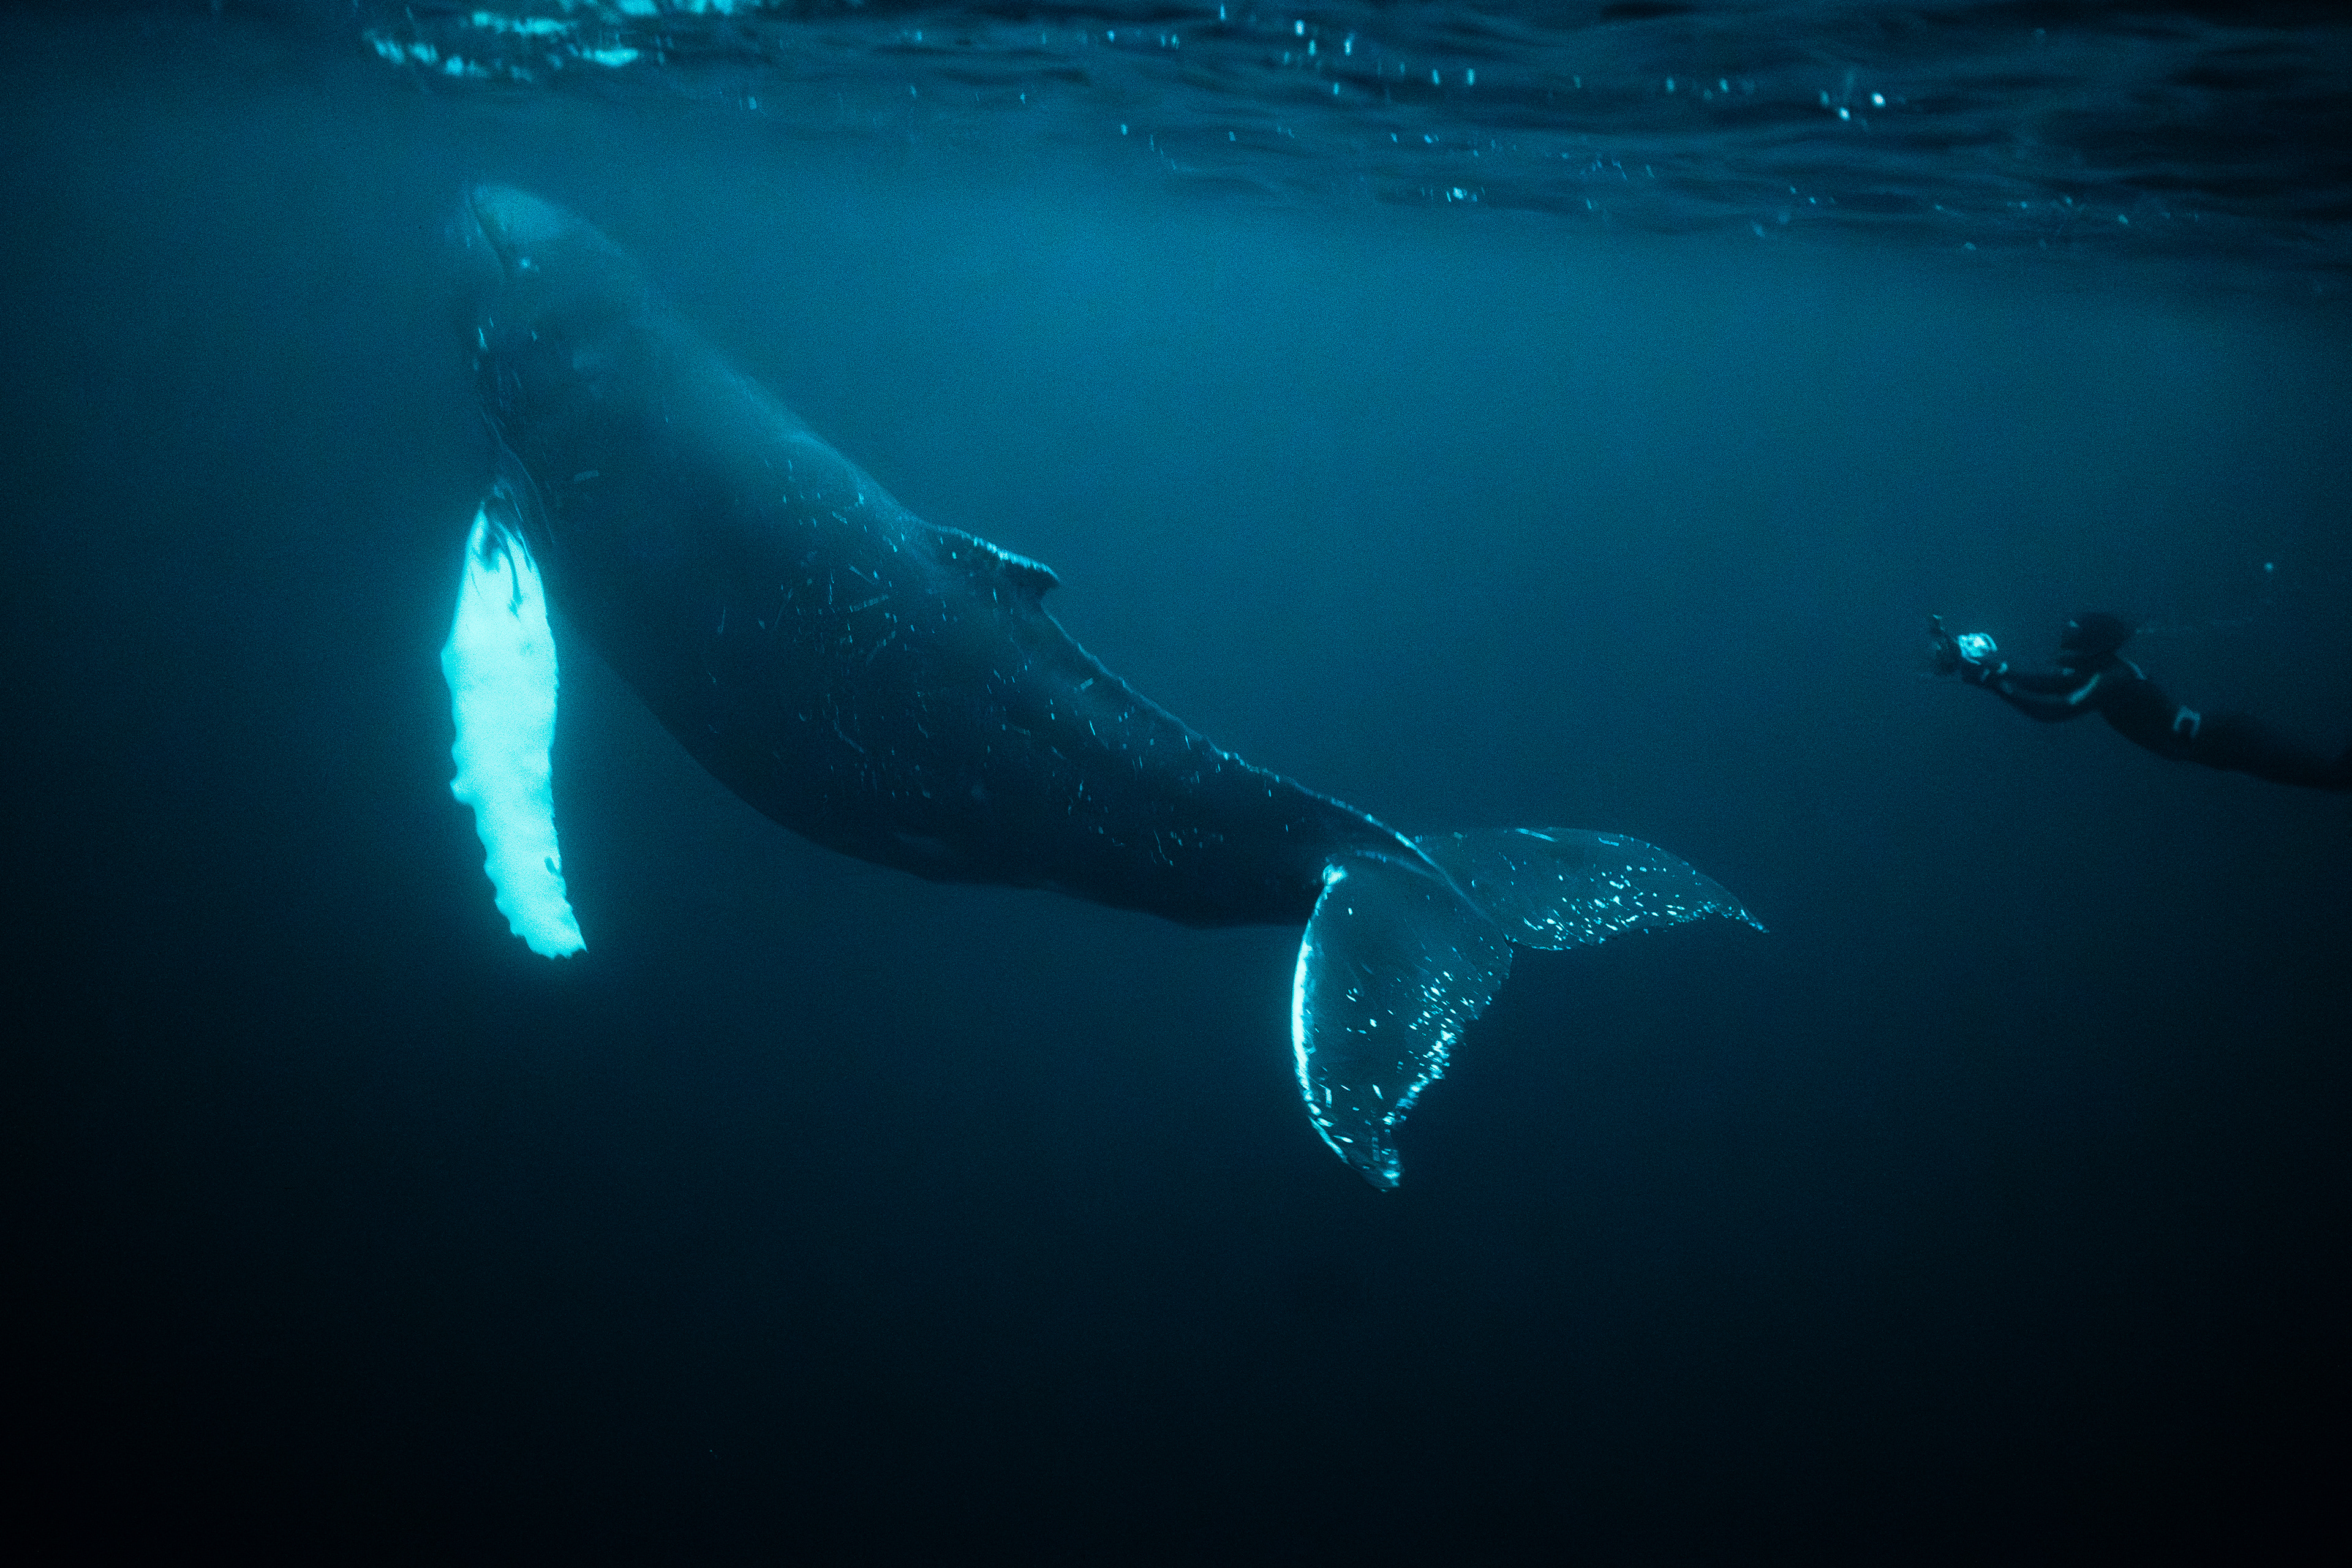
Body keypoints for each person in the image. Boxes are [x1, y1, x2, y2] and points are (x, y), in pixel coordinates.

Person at [1928, 612, 2352, 791]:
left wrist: (1994, 683)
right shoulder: (2103, 670)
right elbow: (2053, 684)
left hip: (2221, 740)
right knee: (2324, 775)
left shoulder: (2109, 680)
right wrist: (1999, 672)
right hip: (2217, 740)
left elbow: (2055, 709)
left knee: (2329, 776)